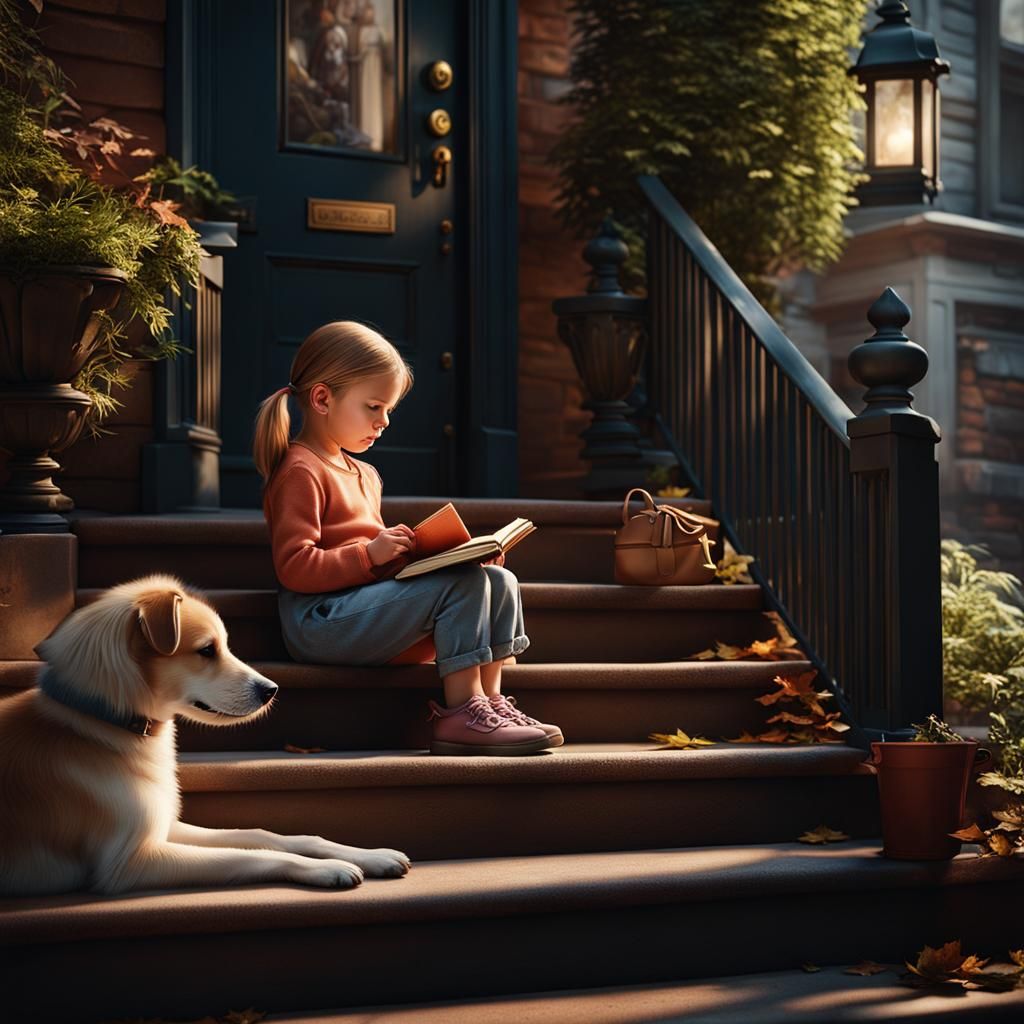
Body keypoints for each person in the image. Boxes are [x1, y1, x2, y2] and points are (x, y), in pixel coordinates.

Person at [252, 321, 564, 756]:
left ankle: (492, 704)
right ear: (322, 399)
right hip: (321, 622)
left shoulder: (365, 473)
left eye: (389, 410)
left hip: (364, 611)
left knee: (498, 580)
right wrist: (369, 554)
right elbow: (295, 566)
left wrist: (443, 557)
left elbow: (376, 570)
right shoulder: (301, 470)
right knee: (464, 586)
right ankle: (463, 713)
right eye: (373, 406)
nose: (383, 422)